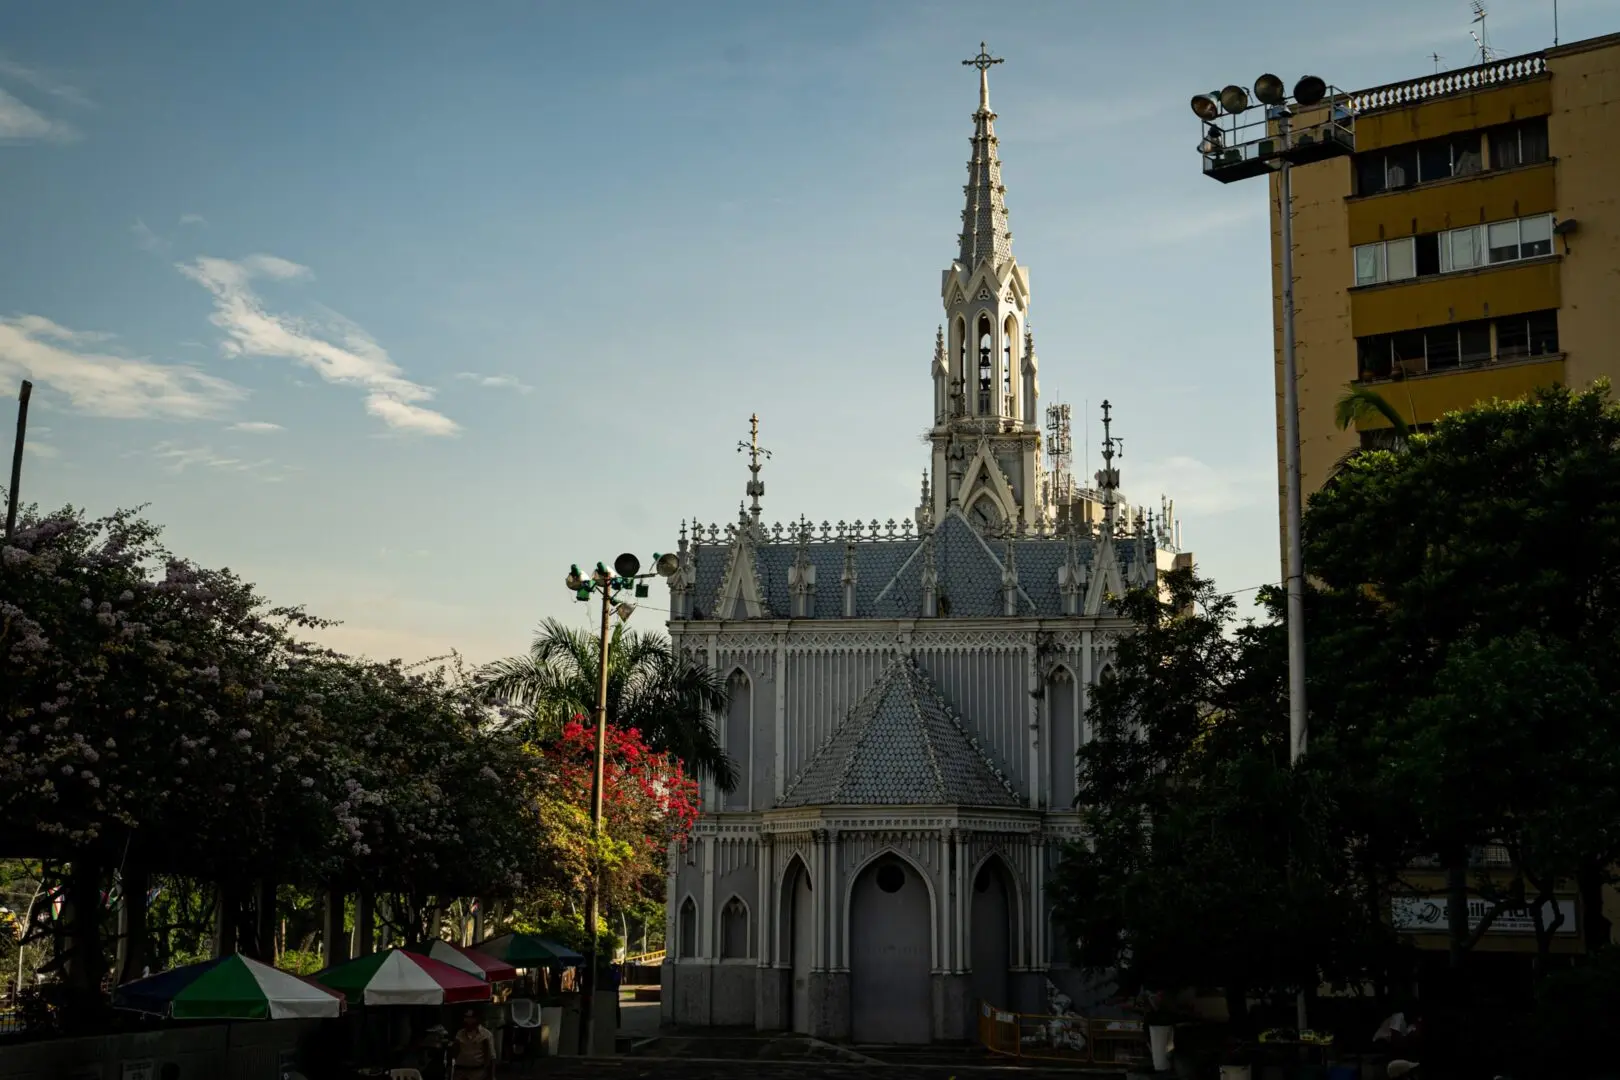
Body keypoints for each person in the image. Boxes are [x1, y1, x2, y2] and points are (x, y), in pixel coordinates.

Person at [452, 1008, 496, 1080]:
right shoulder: (460, 1033)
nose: (467, 1020)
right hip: (461, 1072)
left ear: (476, 1019)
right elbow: (455, 1053)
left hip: (478, 1073)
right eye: (466, 1017)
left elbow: (492, 1057)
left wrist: (492, 1076)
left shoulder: (486, 1035)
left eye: (470, 1018)